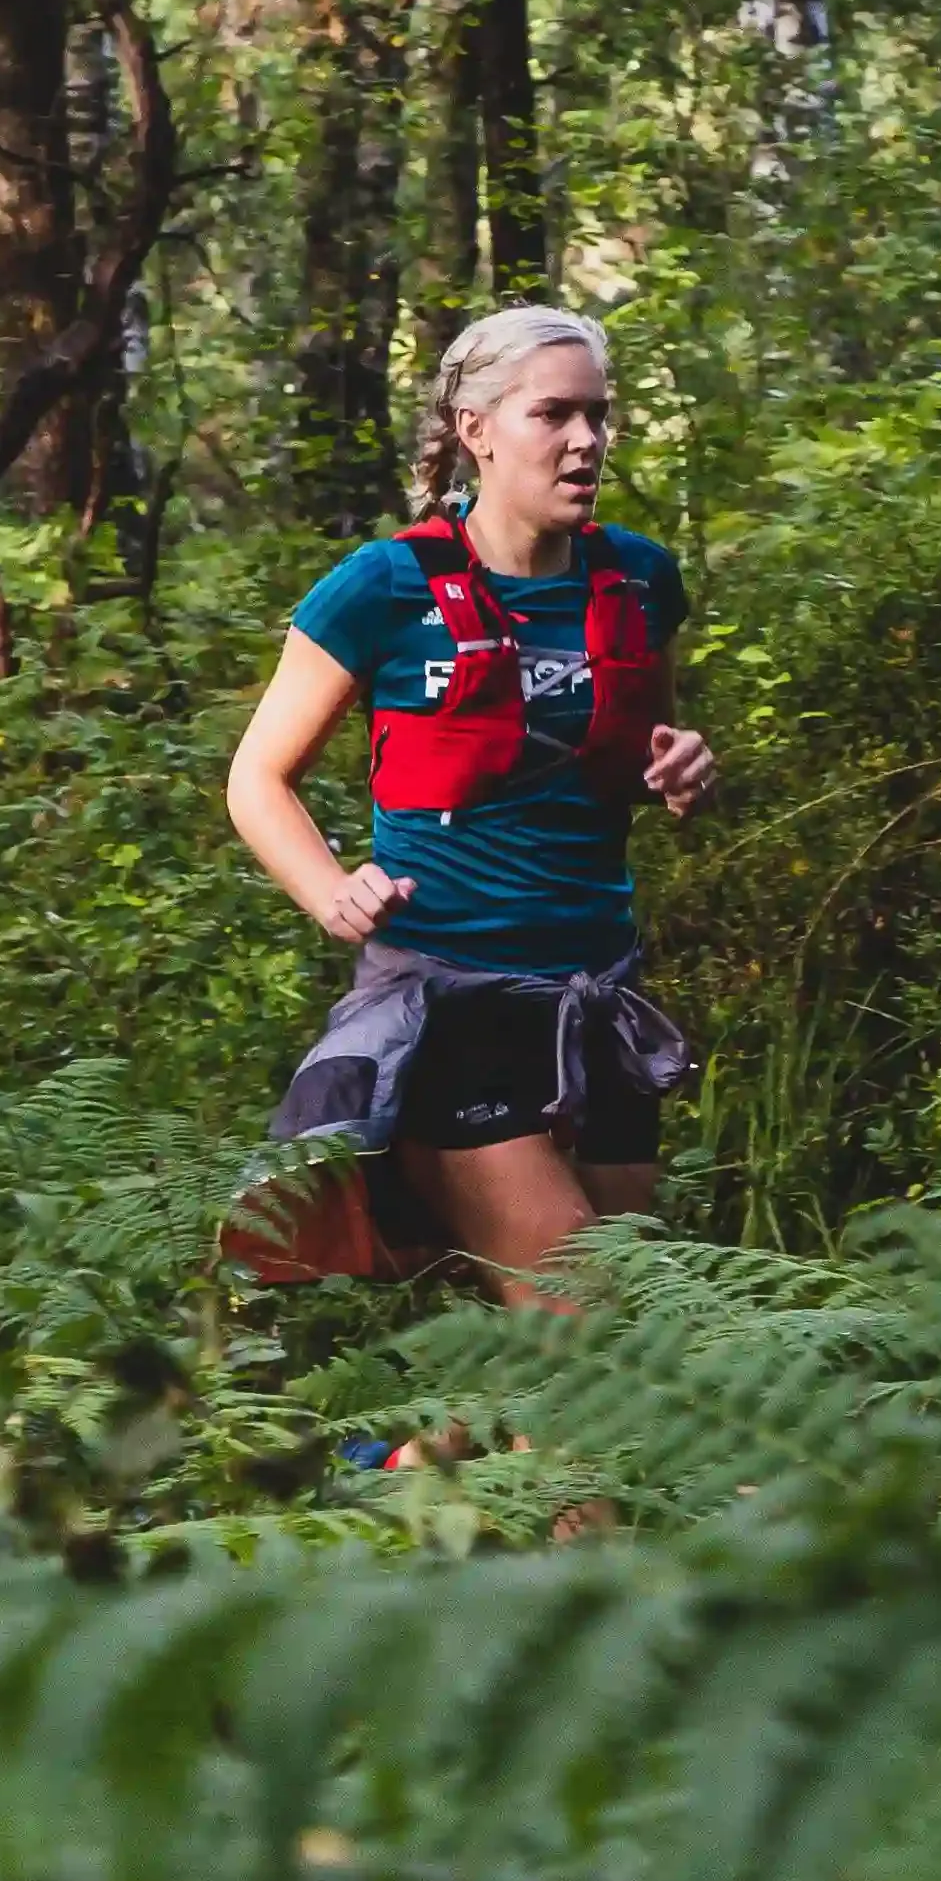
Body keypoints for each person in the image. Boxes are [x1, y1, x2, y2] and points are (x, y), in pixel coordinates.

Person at [225, 306, 715, 1300]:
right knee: (591, 1318)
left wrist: (681, 768)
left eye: (599, 416)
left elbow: (635, 757)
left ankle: (414, 1463)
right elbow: (255, 778)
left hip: (597, 997)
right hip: (450, 1003)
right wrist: (328, 891)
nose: (586, 442)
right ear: (476, 429)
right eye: (554, 415)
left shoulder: (640, 580)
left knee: (573, 1340)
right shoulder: (383, 587)